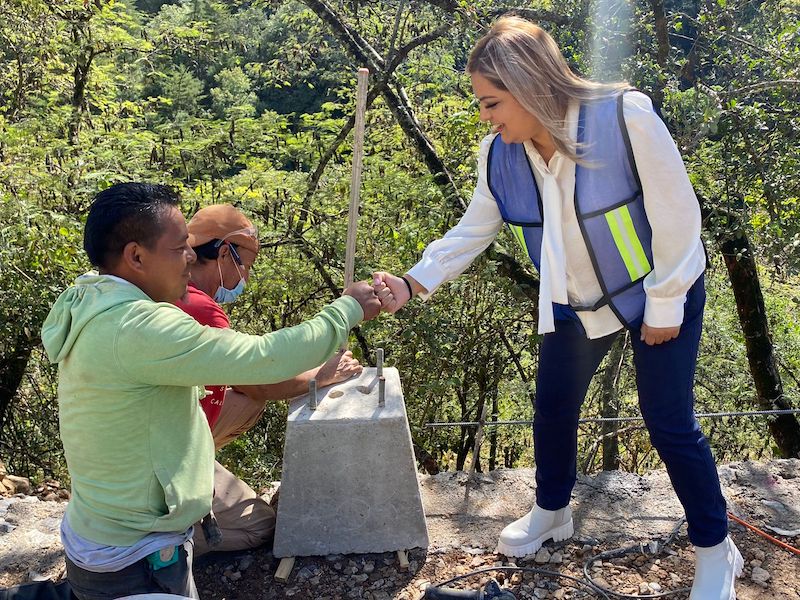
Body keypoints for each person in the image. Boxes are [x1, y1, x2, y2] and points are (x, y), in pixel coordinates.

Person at [373, 17, 741, 600]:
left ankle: (716, 548)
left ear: (530, 85)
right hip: (574, 303)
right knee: (552, 408)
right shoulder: (500, 154)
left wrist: (666, 304)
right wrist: (413, 283)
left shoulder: (625, 117)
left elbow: (678, 216)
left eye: (492, 102)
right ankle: (552, 511)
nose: (485, 116)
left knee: (668, 422)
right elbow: (474, 229)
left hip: (659, 291)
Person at [41, 183, 381, 599]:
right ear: (135, 256)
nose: (189, 257)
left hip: (107, 535)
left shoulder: (91, 299)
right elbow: (262, 359)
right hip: (134, 558)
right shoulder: (139, 328)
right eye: (179, 247)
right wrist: (346, 310)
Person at [173, 204, 363, 555]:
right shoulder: (200, 307)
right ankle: (165, 541)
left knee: (246, 404)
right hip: (161, 457)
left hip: (155, 436)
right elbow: (256, 377)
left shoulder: (172, 292)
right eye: (244, 265)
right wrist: (319, 377)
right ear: (224, 252)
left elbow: (246, 387)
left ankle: (191, 473)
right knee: (260, 526)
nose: (244, 277)